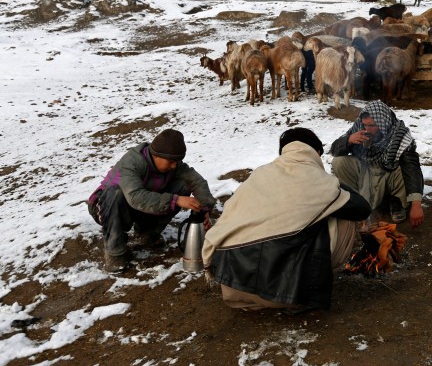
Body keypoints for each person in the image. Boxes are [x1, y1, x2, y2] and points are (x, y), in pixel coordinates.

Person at [203, 128, 370, 312]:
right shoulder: (319, 180)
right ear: (316, 152)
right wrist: (333, 182)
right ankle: (303, 293)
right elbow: (362, 208)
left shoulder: (259, 174)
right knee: (341, 213)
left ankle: (252, 297)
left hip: (234, 287)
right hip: (286, 296)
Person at [87, 128, 217, 272]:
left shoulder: (173, 163)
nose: (174, 166)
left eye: (177, 161)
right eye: (171, 161)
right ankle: (115, 252)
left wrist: (205, 209)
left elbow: (196, 181)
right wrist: (176, 200)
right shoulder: (131, 162)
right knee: (116, 193)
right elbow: (136, 197)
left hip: (138, 205)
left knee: (183, 185)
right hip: (106, 206)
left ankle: (147, 232)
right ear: (156, 155)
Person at [330, 101, 425, 228]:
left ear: (383, 122)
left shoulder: (399, 135)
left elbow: (412, 168)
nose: (367, 129)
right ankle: (356, 198)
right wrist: (348, 141)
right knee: (339, 162)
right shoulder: (359, 128)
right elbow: (334, 150)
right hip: (366, 170)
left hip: (389, 173)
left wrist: (417, 205)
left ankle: (396, 201)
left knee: (403, 169)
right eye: (365, 125)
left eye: (372, 125)